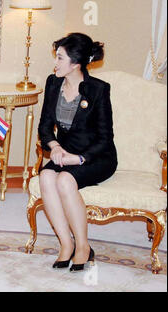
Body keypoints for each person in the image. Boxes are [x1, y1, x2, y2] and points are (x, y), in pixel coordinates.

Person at [37, 33, 117, 272]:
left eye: (60, 58)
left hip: (96, 157)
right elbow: (44, 127)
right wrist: (56, 147)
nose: (56, 63)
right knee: (45, 176)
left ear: (76, 63)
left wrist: (79, 158)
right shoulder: (53, 83)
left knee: (64, 180)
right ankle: (66, 244)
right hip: (65, 152)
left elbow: (105, 139)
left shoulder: (98, 90)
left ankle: (83, 246)